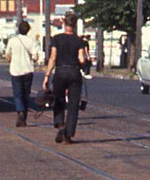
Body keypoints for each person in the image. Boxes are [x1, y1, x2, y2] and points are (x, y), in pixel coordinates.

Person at [43, 14, 90, 144]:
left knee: (58, 100)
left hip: (60, 72)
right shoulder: (78, 40)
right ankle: (68, 134)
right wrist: (83, 64)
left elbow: (53, 58)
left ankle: (60, 124)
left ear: (64, 23)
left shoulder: (57, 39)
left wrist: (47, 75)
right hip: (74, 72)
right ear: (74, 24)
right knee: (73, 104)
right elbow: (81, 59)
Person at [7, 20, 41, 128]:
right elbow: (35, 57)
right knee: (26, 95)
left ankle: (20, 111)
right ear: (28, 30)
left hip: (15, 70)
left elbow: (7, 55)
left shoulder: (12, 40)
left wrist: (12, 59)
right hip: (28, 70)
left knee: (17, 94)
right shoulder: (31, 41)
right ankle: (23, 119)